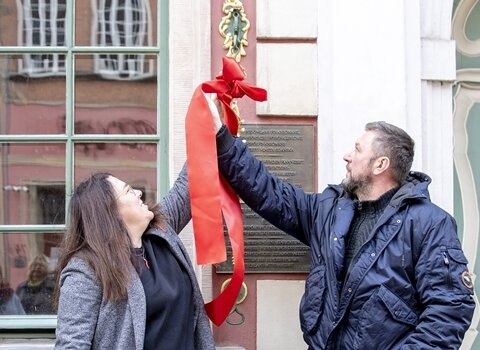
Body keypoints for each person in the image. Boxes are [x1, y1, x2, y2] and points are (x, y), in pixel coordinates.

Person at [206, 94, 475, 349]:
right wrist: (221, 138)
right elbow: (270, 192)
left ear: (380, 165)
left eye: (357, 149)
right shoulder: (329, 210)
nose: (347, 155)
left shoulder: (430, 224)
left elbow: (449, 310)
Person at [53, 167, 215, 350]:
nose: (139, 192)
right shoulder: (86, 270)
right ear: (109, 211)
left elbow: (190, 182)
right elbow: (71, 345)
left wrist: (211, 140)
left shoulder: (161, 232)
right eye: (128, 191)